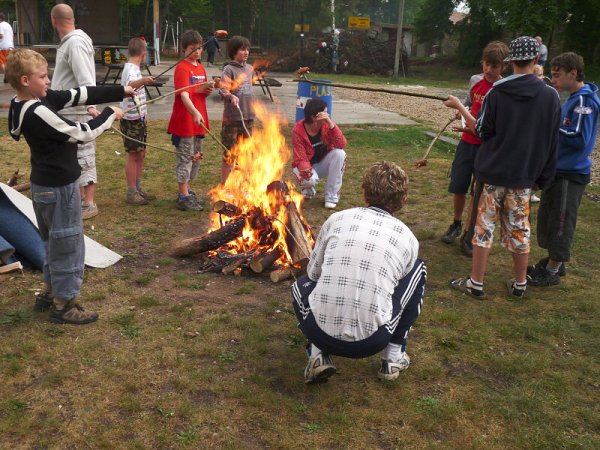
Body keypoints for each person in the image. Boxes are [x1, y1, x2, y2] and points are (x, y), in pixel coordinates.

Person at [6, 49, 131, 324]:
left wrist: (124, 89)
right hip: (58, 189)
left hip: (44, 187)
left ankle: (50, 293)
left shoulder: (23, 102)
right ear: (25, 80)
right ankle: (65, 305)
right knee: (69, 244)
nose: (49, 80)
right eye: (43, 76)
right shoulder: (37, 111)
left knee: (53, 243)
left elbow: (78, 94)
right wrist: (110, 114)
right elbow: (81, 134)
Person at [443, 36, 561, 299]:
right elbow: (554, 139)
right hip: (523, 177)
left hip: (492, 173)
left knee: (483, 228)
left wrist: (463, 112)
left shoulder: (497, 91)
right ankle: (520, 284)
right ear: (536, 59)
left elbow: (483, 131)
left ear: (510, 62)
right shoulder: (550, 95)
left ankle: (476, 282)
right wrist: (543, 176)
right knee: (519, 228)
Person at [291, 161, 427, 383]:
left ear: (364, 193)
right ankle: (393, 357)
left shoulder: (337, 219)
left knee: (299, 287)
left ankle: (317, 355)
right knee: (417, 269)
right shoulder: (407, 238)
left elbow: (313, 274)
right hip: (372, 341)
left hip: (319, 331)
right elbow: (399, 284)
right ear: (402, 200)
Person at [528, 52, 600, 287]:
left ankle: (553, 269)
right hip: (559, 170)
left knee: (561, 220)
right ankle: (553, 260)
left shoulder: (583, 102)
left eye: (557, 75)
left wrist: (549, 129)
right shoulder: (572, 98)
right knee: (549, 217)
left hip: (571, 173)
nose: (553, 79)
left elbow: (578, 137)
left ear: (574, 73)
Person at [441, 41, 508, 257]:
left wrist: (468, 120)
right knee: (459, 185)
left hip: (486, 148)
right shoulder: (475, 81)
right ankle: (456, 223)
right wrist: (460, 113)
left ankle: (469, 233)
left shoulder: (504, 88)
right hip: (466, 144)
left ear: (503, 67)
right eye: (486, 64)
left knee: (477, 192)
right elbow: (469, 103)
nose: (489, 70)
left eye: (494, 66)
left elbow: (492, 126)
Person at [50, 4, 100, 220]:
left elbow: (86, 78)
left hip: (78, 110)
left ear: (54, 20)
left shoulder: (76, 43)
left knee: (84, 154)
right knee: (72, 157)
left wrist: (90, 106)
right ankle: (78, 200)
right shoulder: (69, 43)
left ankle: (88, 203)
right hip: (66, 110)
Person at [167, 30, 213, 211]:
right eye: (193, 48)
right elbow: (184, 95)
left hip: (198, 121)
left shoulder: (200, 68)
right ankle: (183, 195)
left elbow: (196, 91)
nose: (197, 52)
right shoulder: (182, 68)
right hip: (186, 122)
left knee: (196, 157)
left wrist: (204, 90)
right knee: (185, 158)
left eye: (199, 48)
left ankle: (188, 189)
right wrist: (194, 112)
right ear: (184, 49)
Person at [292, 98, 347, 209]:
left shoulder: (326, 124)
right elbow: (301, 157)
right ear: (314, 117)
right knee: (309, 181)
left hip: (322, 164)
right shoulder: (298, 130)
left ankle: (331, 197)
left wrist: (332, 125)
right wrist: (307, 172)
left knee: (340, 154)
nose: (327, 115)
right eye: (325, 112)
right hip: (305, 167)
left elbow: (341, 143)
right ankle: (308, 189)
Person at [120, 37, 156, 205]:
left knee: (140, 154)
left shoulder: (135, 68)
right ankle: (131, 191)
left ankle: (138, 187)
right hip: (131, 120)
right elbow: (130, 86)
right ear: (144, 54)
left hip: (139, 119)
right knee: (133, 155)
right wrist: (144, 80)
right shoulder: (129, 68)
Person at [218, 35, 256, 182]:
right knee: (229, 153)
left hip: (248, 118)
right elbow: (222, 89)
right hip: (232, 119)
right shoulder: (229, 69)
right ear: (234, 51)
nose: (246, 52)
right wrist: (230, 96)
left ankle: (241, 185)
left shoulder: (250, 68)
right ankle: (225, 186)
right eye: (242, 49)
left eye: (247, 49)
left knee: (244, 153)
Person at [0, 12, 14, 80]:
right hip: (10, 46)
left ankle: (7, 76)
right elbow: (12, 36)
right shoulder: (8, 25)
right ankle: (8, 76)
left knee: (1, 61)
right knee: (7, 62)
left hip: (3, 47)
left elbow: (1, 35)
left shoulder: (0, 25)